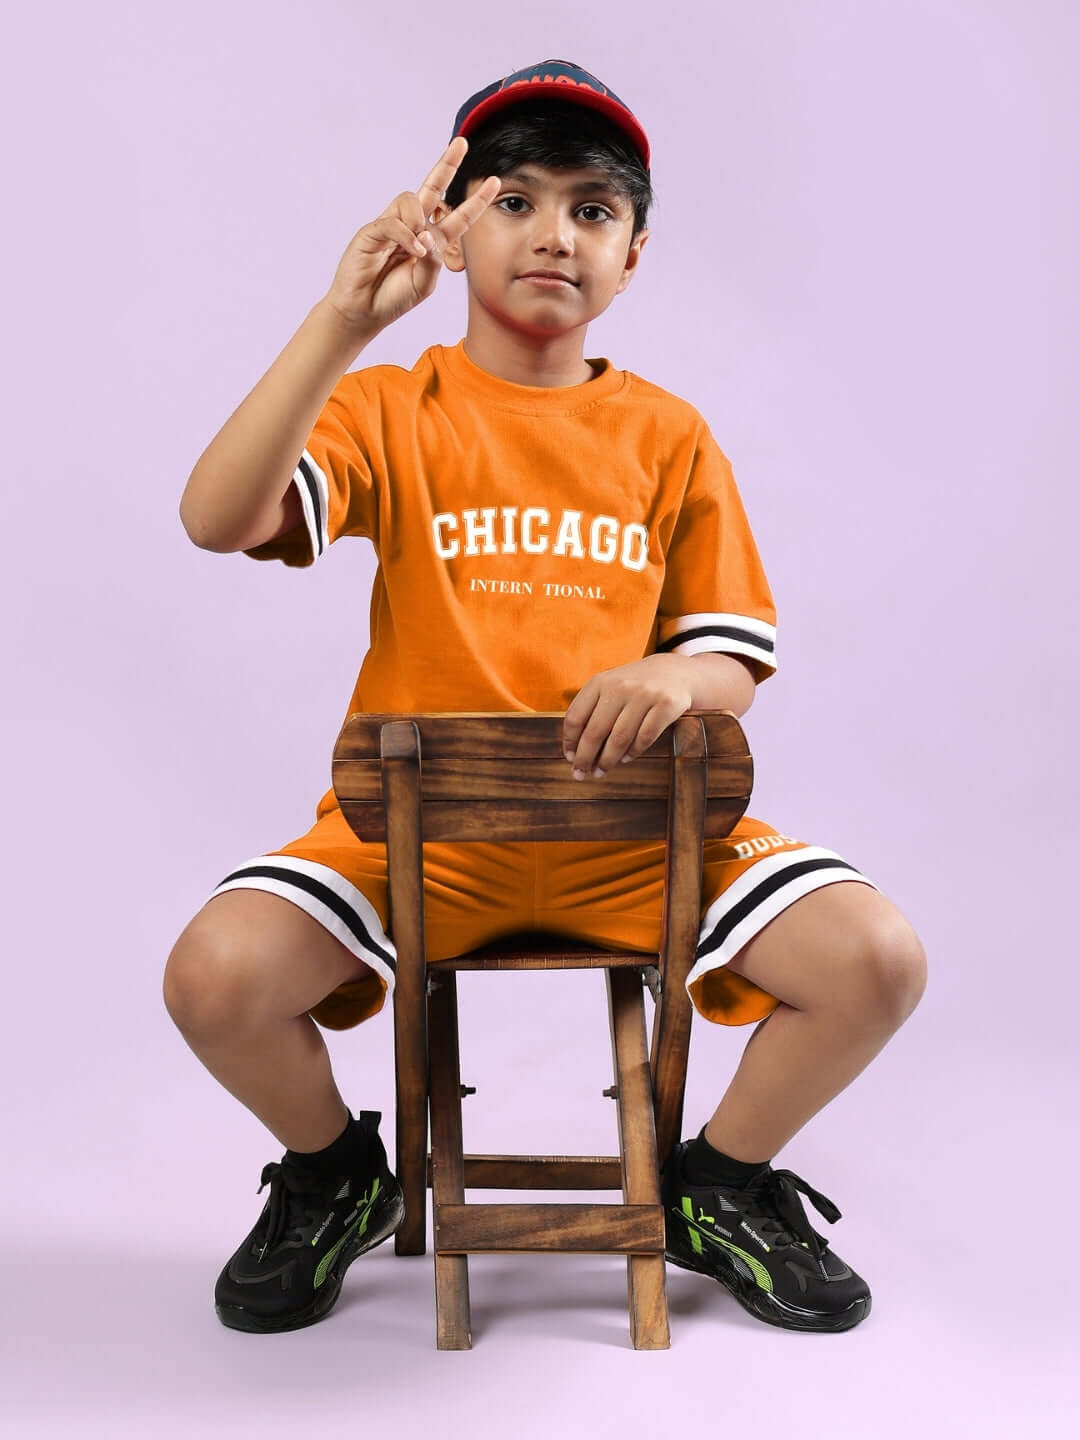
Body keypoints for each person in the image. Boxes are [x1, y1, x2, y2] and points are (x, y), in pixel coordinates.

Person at [166, 59, 927, 1338]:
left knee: (877, 961)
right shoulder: (388, 408)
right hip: (420, 845)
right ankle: (333, 1178)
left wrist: (677, 673)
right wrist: (344, 322)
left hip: (637, 842)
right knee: (215, 977)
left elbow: (736, 653)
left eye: (592, 208)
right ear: (454, 229)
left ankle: (719, 1186)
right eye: (514, 200)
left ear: (635, 254)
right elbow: (216, 517)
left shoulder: (669, 434)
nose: (554, 234)